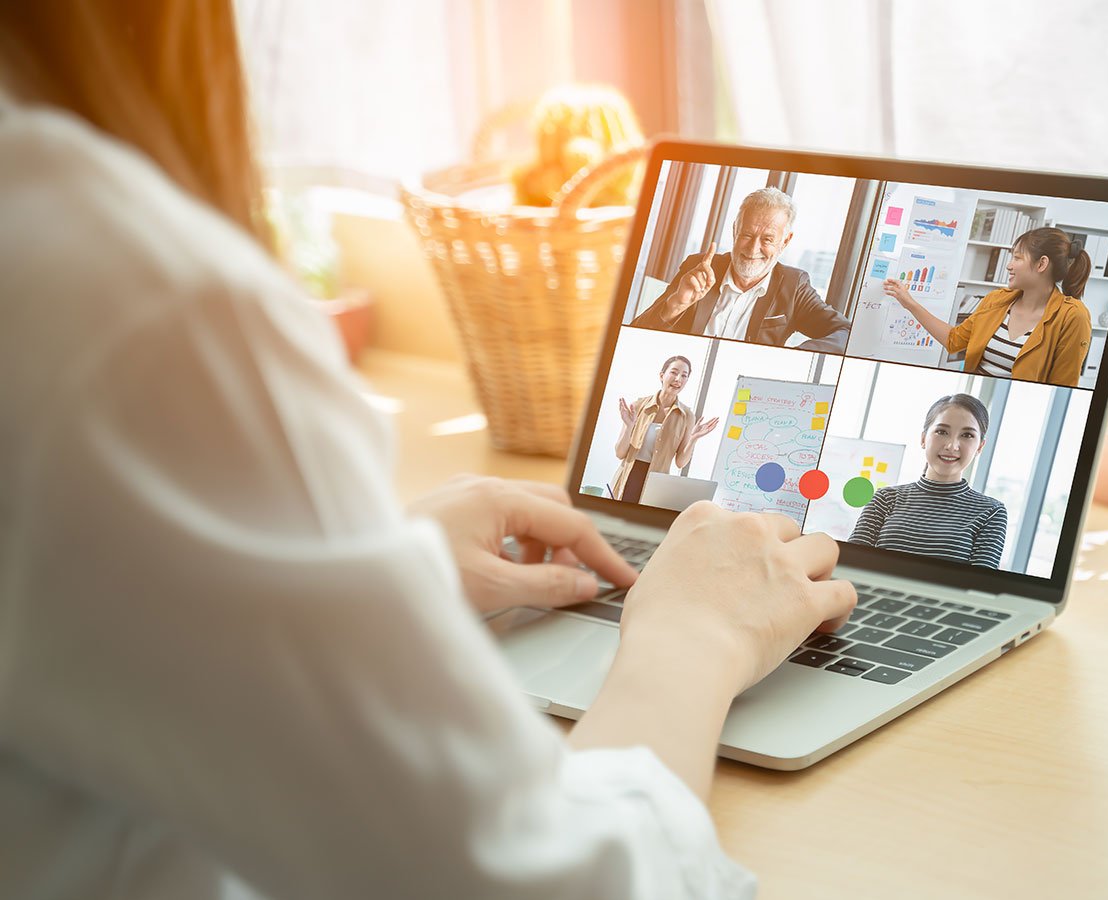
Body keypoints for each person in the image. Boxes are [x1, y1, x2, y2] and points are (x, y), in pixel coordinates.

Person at [0, 3, 855, 897]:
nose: (760, 244)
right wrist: (694, 636)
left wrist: (345, 565)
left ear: (789, 241)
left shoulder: (70, 251)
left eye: (773, 235)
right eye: (751, 230)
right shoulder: (134, 300)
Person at [632, 187, 851, 352]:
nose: (753, 248)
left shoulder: (794, 287)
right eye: (747, 234)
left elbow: (845, 333)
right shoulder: (698, 268)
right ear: (735, 229)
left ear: (785, 241)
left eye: (767, 239)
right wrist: (676, 304)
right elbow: (636, 334)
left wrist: (794, 356)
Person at [885, 226, 1093, 386]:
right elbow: (954, 340)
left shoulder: (1073, 317)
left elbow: (1062, 386)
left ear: (1041, 264)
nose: (1009, 265)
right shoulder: (996, 300)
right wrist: (909, 303)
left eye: (1017, 258)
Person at [849, 394, 1008, 568]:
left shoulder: (991, 512)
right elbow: (851, 564)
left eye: (967, 435)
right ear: (923, 438)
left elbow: (981, 587)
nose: (952, 446)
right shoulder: (886, 498)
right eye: (942, 432)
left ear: (980, 446)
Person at [610, 354, 719, 502]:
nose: (678, 379)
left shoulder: (687, 416)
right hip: (627, 478)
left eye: (684, 376)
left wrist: (693, 439)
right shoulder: (638, 406)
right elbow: (619, 452)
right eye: (674, 372)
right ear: (662, 375)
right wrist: (629, 426)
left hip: (656, 485)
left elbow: (680, 462)